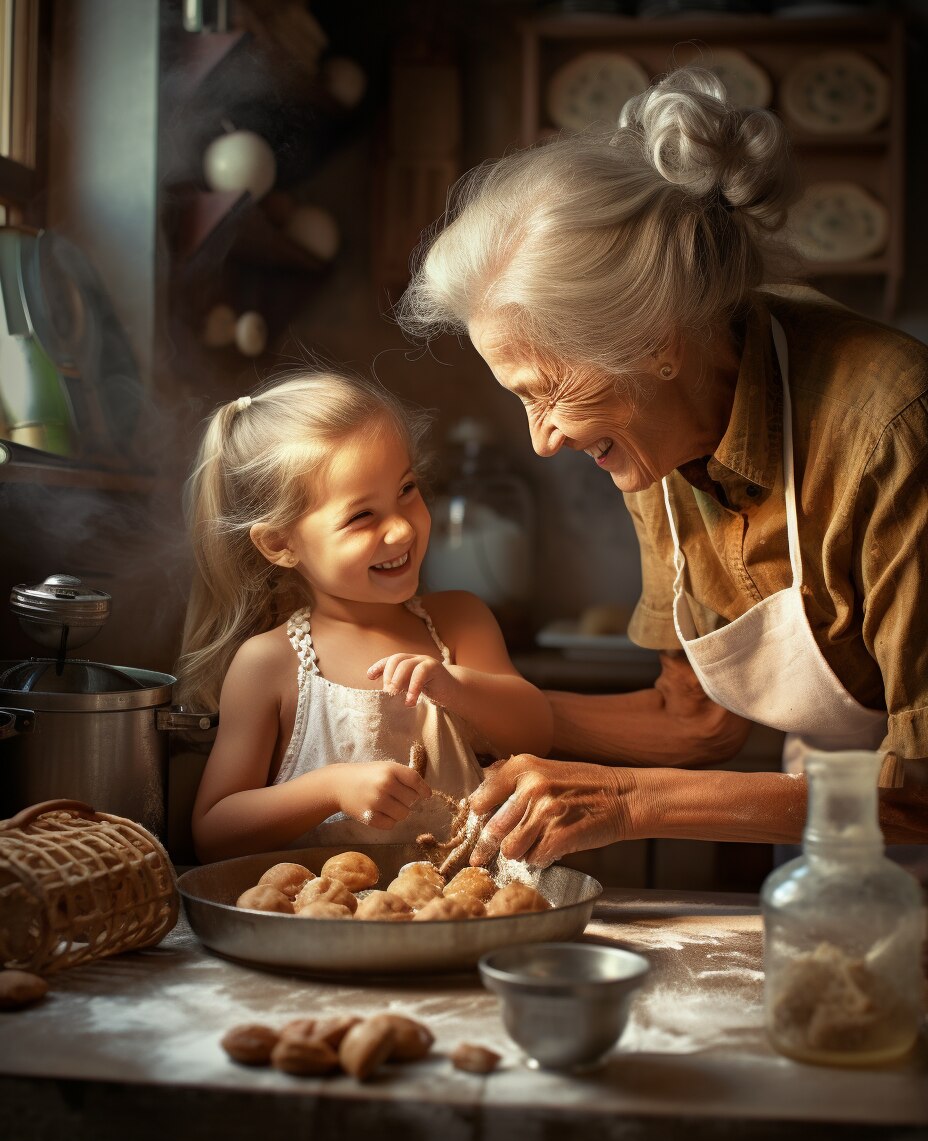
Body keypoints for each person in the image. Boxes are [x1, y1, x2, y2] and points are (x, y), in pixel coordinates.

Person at [395, 66, 928, 870]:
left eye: (550, 393)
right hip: (833, 829)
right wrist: (470, 710)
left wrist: (630, 801)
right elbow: (696, 721)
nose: (542, 440)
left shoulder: (893, 432)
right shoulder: (657, 432)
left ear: (657, 344)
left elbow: (920, 794)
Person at [177, 370, 552, 862]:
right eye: (362, 516)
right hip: (323, 921)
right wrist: (330, 790)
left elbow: (537, 733)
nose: (400, 529)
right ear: (280, 544)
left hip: (461, 912)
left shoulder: (460, 622)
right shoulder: (267, 664)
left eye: (407, 489)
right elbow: (213, 832)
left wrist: (455, 687)